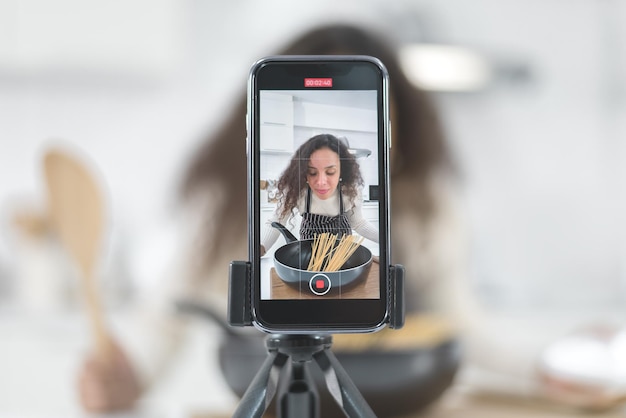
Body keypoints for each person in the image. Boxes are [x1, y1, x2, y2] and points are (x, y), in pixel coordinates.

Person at [77, 23, 454, 414]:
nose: (323, 181)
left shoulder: (425, 208)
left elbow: (457, 323)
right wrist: (130, 374)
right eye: (314, 171)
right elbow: (165, 318)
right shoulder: (234, 207)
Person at [260, 133, 378, 257]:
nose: (321, 182)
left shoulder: (350, 191)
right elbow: (276, 221)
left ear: (342, 171)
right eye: (312, 172)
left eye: (330, 172)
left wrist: (386, 239)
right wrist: (261, 246)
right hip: (309, 255)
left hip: (341, 255)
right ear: (303, 171)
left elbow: (358, 223)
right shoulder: (296, 189)